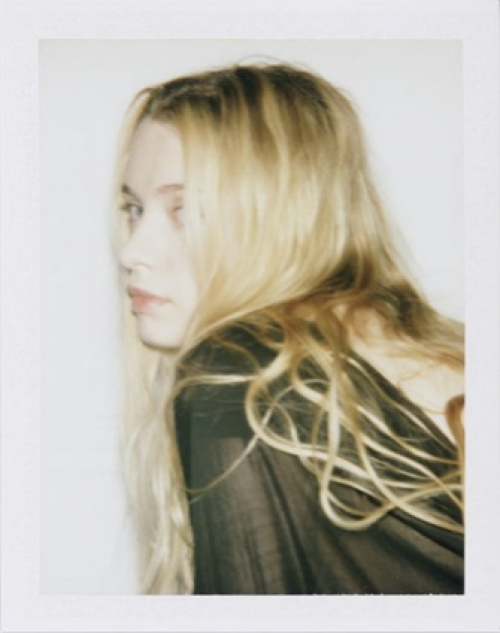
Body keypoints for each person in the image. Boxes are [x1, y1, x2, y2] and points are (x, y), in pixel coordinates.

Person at [114, 62, 464, 595]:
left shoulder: (238, 380)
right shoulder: (436, 353)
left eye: (182, 209)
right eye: (135, 209)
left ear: (279, 213)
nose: (132, 251)